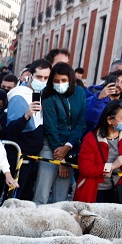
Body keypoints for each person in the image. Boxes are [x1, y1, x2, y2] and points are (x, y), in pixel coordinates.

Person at [35, 62, 88, 205]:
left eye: (63, 80)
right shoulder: (48, 96)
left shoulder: (80, 93)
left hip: (69, 147)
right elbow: (51, 128)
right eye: (56, 81)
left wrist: (68, 147)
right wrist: (61, 160)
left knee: (61, 197)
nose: (60, 84)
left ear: (70, 79)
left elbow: (81, 123)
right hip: (50, 146)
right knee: (42, 193)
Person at [6, 58, 49, 200]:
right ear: (29, 75)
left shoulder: (40, 94)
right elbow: (11, 130)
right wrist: (26, 116)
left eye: (46, 78)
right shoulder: (19, 96)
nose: (42, 80)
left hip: (32, 157)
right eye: (39, 77)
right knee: (13, 199)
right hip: (19, 157)